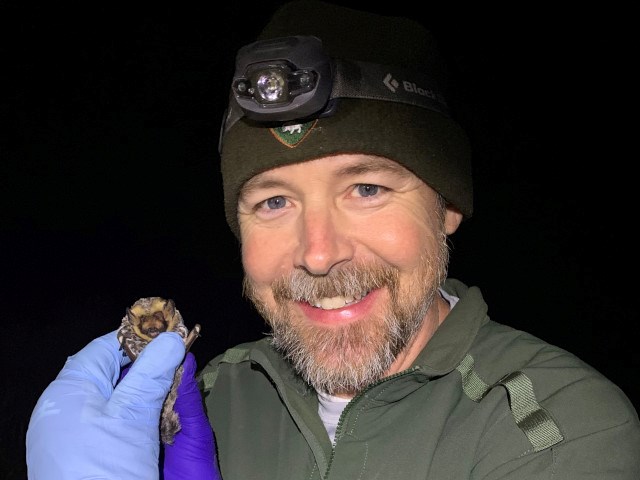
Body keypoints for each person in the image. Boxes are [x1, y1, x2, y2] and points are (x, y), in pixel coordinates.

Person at [27, 0, 640, 478]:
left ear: (447, 206)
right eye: (273, 201)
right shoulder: (212, 398)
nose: (318, 253)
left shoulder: (553, 424)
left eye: (367, 189)